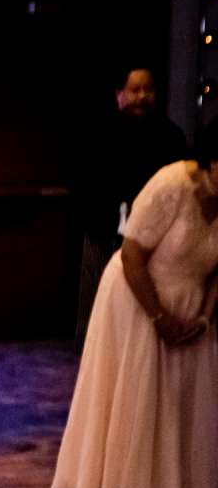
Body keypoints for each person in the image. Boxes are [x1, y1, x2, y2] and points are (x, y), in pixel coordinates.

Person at [52, 125, 218, 488]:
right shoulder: (171, 183)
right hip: (137, 295)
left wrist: (203, 316)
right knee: (140, 395)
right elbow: (131, 256)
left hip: (192, 304)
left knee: (186, 402)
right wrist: (159, 316)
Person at [76, 67, 189, 341]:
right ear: (119, 95)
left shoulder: (171, 136)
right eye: (134, 90)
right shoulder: (100, 134)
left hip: (154, 239)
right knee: (97, 308)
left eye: (148, 90)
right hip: (104, 230)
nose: (142, 97)